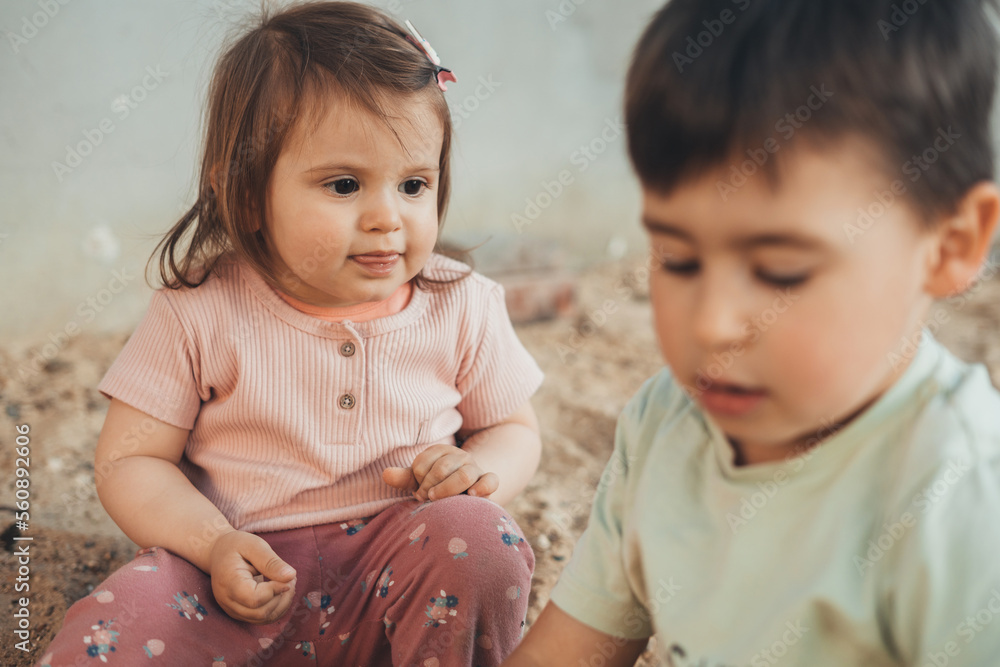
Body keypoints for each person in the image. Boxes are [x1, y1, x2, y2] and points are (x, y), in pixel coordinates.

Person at [37, 3, 543, 666]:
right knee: (111, 630)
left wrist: (479, 471)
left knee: (481, 538)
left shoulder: (462, 304)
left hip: (398, 583)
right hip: (232, 578)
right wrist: (212, 542)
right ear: (247, 195)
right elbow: (132, 459)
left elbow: (515, 430)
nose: (388, 218)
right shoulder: (201, 309)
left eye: (415, 183)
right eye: (344, 184)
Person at [505, 0, 1000, 665]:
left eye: (781, 271)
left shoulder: (957, 500)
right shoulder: (664, 424)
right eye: (678, 259)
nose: (712, 323)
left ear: (950, 244)